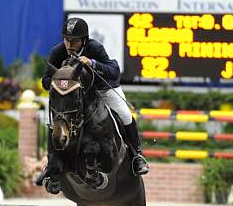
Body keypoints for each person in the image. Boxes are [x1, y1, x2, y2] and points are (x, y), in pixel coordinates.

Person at [34, 18, 150, 189]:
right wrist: (58, 79)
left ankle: (136, 156)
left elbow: (114, 70)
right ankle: (52, 166)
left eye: (74, 40)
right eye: (67, 39)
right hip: (73, 94)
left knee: (125, 115)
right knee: (57, 121)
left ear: (84, 40)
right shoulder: (58, 52)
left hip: (102, 89)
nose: (69, 44)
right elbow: (45, 81)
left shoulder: (95, 48)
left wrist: (93, 63)